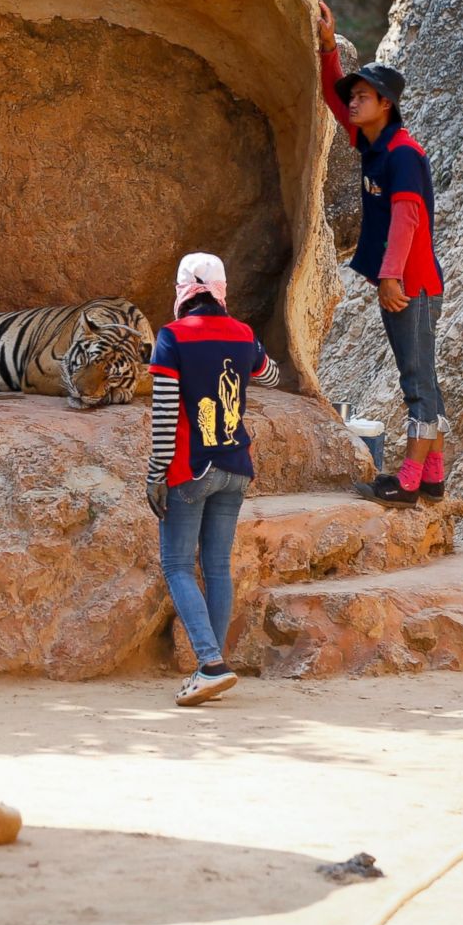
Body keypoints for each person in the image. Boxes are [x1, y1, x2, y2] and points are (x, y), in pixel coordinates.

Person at [317, 1, 448, 508]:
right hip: (409, 282)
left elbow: (408, 220)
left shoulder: (403, 155)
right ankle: (432, 476)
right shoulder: (374, 143)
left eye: (364, 96)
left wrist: (391, 277)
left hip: (411, 284)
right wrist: (330, 47)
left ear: (386, 104)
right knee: (426, 381)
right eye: (355, 94)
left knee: (416, 384)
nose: (353, 102)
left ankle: (410, 482)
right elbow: (332, 98)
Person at [146, 252, 281, 706]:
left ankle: (210, 663)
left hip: (191, 467)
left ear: (184, 290)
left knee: (178, 565)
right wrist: (242, 361)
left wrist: (155, 473)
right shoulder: (243, 334)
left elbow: (165, 413)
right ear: (221, 289)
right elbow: (272, 374)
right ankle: (214, 664)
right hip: (236, 466)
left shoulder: (171, 337)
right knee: (217, 565)